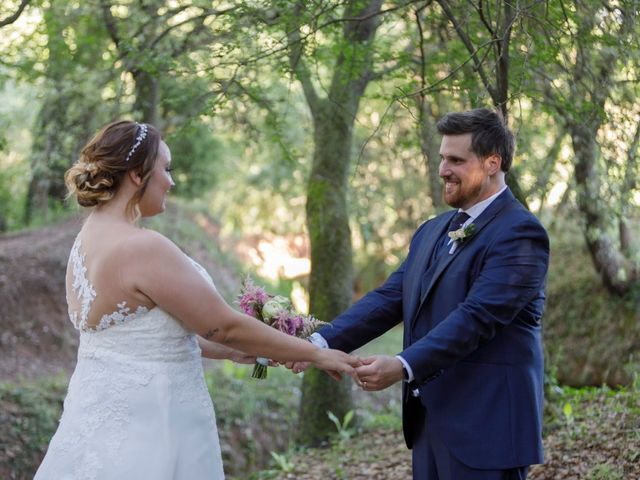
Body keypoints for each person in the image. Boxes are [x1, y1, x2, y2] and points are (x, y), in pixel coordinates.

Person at [34, 120, 361, 480]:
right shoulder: (142, 246)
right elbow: (222, 325)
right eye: (166, 168)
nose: (171, 181)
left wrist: (231, 351)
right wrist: (316, 353)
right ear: (137, 175)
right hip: (156, 429)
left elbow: (142, 337)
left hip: (96, 428)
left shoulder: (85, 241)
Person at [293, 108, 549, 479]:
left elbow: (476, 318)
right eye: (443, 157)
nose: (443, 169)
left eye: (456, 160)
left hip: (487, 429)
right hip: (429, 423)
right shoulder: (433, 230)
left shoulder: (521, 234)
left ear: (492, 163)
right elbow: (388, 299)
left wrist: (402, 365)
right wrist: (314, 343)